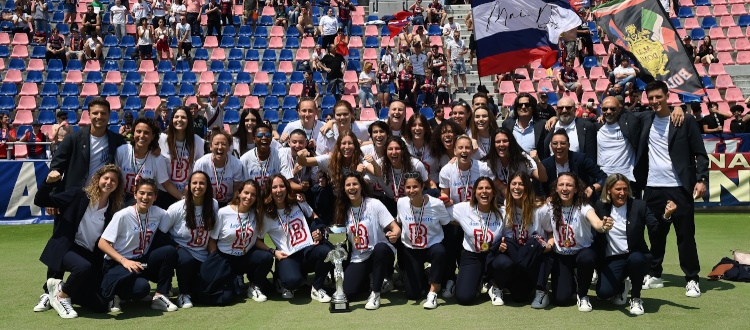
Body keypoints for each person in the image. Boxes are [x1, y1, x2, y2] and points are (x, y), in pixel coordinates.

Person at [639, 81, 708, 298]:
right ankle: (655, 274)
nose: (654, 102)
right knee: (655, 234)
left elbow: (701, 154)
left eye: (658, 97)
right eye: (651, 98)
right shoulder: (645, 119)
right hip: (652, 187)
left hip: (680, 188)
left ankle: (692, 278)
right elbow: (619, 115)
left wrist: (701, 179)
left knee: (685, 235)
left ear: (667, 96)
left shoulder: (685, 120)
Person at [35, 165, 124, 318]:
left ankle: (60, 288)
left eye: (113, 180)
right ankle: (60, 296)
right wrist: (48, 182)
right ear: (97, 179)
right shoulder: (78, 195)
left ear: (117, 185)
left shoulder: (113, 210)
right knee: (83, 267)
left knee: (101, 305)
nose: (109, 182)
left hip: (89, 255)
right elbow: (41, 200)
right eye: (106, 178)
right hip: (66, 248)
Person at [594, 174, 676, 315]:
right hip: (613, 258)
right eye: (618, 189)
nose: (622, 193)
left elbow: (656, 230)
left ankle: (636, 298)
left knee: (636, 259)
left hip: (636, 254)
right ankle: (622, 286)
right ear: (608, 190)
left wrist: (666, 216)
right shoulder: (600, 206)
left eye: (625, 189)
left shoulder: (639, 205)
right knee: (603, 294)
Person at [98, 178, 179, 313]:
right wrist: (124, 261)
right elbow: (103, 243)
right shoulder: (123, 215)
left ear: (155, 197)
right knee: (142, 289)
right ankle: (115, 295)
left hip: (141, 260)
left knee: (169, 251)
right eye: (142, 193)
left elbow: (177, 214)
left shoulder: (159, 213)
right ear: (135, 194)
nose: (145, 197)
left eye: (149, 194)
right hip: (119, 262)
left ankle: (160, 296)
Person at [259, 175, 333, 301]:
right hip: (288, 255)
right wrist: (273, 251)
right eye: (274, 187)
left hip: (307, 250)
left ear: (287, 188)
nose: (279, 190)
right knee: (293, 281)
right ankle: (280, 278)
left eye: (282, 186)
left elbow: (313, 216)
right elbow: (257, 238)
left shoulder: (298, 202)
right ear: (269, 190)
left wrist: (318, 231)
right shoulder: (266, 214)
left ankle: (317, 287)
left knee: (326, 251)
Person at [439, 134, 494, 298]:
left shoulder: (482, 167)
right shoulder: (447, 170)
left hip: (479, 217)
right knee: (450, 240)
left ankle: (485, 278)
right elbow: (444, 197)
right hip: (457, 217)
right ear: (454, 150)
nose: (464, 151)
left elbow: (490, 191)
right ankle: (450, 278)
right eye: (460, 148)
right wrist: (446, 201)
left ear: (472, 150)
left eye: (467, 148)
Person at [547, 172, 613, 311]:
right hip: (562, 255)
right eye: (561, 185)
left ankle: (583, 294)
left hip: (582, 253)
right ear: (556, 188)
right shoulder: (550, 207)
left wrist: (603, 226)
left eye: (569, 185)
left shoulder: (584, 207)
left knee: (587, 258)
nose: (565, 188)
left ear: (576, 189)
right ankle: (573, 280)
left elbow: (596, 223)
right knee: (561, 299)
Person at [335, 173, 400, 309]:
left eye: (355, 184)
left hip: (380, 254)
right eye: (348, 185)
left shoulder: (374, 204)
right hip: (359, 257)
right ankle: (373, 279)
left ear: (361, 186)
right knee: (348, 292)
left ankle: (375, 293)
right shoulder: (343, 209)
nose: (352, 188)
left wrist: (395, 235)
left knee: (380, 248)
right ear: (344, 188)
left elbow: (395, 227)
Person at [204, 180, 273, 304]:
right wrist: (214, 260)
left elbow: (255, 240)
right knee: (227, 298)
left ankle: (253, 287)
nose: (249, 197)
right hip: (225, 259)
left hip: (245, 257)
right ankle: (232, 281)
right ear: (239, 193)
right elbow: (212, 239)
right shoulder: (223, 212)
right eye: (246, 193)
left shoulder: (256, 214)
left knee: (266, 257)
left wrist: (272, 250)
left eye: (253, 195)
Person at [161, 171, 219, 308]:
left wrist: (213, 257)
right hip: (182, 250)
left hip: (203, 252)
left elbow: (212, 234)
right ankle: (183, 294)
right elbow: (161, 233)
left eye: (202, 183)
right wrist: (176, 247)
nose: (198, 186)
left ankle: (191, 289)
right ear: (188, 186)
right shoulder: (177, 208)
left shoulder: (214, 204)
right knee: (187, 260)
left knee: (204, 289)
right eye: (194, 183)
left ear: (207, 186)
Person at [499, 172, 555, 308]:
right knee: (518, 297)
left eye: (521, 184)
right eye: (514, 184)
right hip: (518, 252)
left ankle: (542, 290)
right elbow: (507, 234)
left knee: (535, 241)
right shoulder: (508, 204)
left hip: (535, 251)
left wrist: (549, 245)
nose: (517, 187)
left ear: (528, 187)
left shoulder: (541, 208)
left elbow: (551, 233)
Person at [450, 177, 507, 306]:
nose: (484, 191)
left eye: (488, 188)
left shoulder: (503, 211)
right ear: (474, 192)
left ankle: (495, 285)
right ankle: (478, 281)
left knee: (505, 263)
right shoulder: (464, 208)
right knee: (464, 298)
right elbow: (441, 214)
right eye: (480, 188)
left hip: (494, 256)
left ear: (493, 192)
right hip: (472, 255)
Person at [398, 174, 450, 308]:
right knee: (412, 294)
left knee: (440, 251)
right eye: (408, 187)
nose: (411, 190)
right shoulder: (401, 202)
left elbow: (445, 222)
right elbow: (399, 221)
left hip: (432, 246)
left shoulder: (436, 204)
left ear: (422, 187)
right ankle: (427, 273)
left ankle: (432, 293)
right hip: (412, 248)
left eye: (415, 186)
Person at [114, 118, 181, 204]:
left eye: (146, 133)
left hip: (143, 201)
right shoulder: (122, 151)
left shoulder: (157, 158)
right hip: (121, 199)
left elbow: (166, 184)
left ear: (153, 136)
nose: (141, 136)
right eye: (138, 131)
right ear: (133, 133)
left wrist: (183, 198)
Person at [366, 136, 431, 213]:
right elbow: (366, 182)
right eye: (390, 149)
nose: (394, 152)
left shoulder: (415, 164)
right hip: (390, 202)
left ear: (403, 150)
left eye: (397, 148)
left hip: (412, 200)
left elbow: (428, 183)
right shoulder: (379, 164)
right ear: (386, 151)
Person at [156, 107, 205, 208]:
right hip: (164, 193)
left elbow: (199, 170)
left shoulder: (197, 141)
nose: (179, 120)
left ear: (189, 121)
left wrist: (186, 192)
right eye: (176, 117)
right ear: (172, 119)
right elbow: (163, 178)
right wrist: (181, 198)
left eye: (183, 117)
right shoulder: (161, 139)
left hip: (188, 191)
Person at [542, 130, 606, 198]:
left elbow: (603, 178)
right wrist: (546, 198)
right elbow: (540, 188)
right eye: (555, 143)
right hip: (556, 203)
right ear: (551, 146)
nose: (559, 147)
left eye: (563, 143)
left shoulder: (581, 159)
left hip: (580, 200)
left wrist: (592, 188)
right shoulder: (545, 164)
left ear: (568, 145)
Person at [482, 128, 546, 195]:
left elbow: (543, 178)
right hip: (497, 203)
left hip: (521, 202)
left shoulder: (523, 158)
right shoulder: (488, 163)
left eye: (505, 141)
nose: (501, 144)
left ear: (511, 142)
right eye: (498, 142)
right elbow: (499, 186)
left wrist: (537, 161)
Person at [194, 128, 245, 207]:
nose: (220, 147)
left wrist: (232, 205)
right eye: (216, 144)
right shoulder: (201, 163)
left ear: (228, 147)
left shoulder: (236, 164)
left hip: (229, 202)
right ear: (210, 147)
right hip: (207, 202)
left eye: (224, 144)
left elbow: (237, 189)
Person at [543, 97, 598, 162]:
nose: (564, 110)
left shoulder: (586, 127)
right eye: (561, 108)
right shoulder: (549, 126)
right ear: (556, 110)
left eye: (568, 108)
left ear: (575, 110)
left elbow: (591, 156)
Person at [240, 122, 282, 191]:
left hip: (273, 196)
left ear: (271, 138)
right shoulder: (244, 159)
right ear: (254, 139)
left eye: (268, 135)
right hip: (253, 197)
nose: (264, 138)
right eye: (260, 135)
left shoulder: (279, 156)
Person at [279, 129, 319, 195]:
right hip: (287, 191)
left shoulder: (311, 156)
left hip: (307, 191)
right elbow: (284, 181)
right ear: (289, 142)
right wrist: (294, 172)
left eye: (301, 142)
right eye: (294, 142)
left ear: (306, 143)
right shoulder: (283, 153)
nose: (297, 146)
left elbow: (314, 181)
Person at [403, 114, 439, 185]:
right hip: (412, 187)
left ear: (425, 128)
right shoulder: (403, 144)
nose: (417, 128)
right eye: (413, 125)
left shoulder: (434, 143)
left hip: (434, 184)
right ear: (409, 128)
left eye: (421, 125)